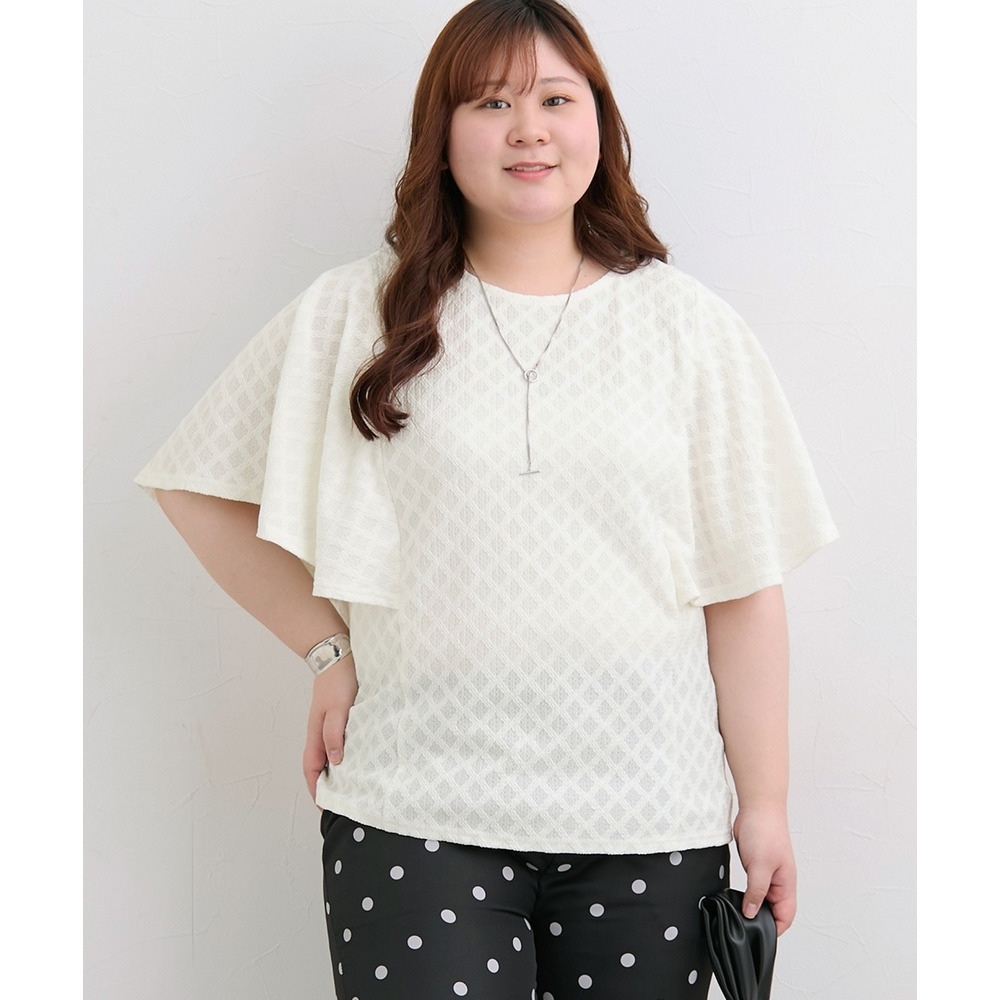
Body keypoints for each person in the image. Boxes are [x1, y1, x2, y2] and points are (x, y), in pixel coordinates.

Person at [135, 1, 839, 996]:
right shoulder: (358, 310)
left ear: (599, 122)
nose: (528, 130)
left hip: (650, 816)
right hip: (415, 807)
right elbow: (195, 486)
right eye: (491, 103)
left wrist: (763, 804)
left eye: (555, 100)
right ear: (443, 130)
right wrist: (327, 649)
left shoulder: (689, 328)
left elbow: (743, 588)